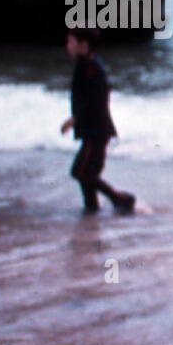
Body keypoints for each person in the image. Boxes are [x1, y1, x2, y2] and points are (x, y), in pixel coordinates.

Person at [61, 26, 135, 214]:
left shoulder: (92, 68)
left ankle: (121, 199)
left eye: (71, 42)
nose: (67, 46)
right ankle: (91, 209)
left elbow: (97, 100)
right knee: (88, 174)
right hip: (92, 130)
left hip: (97, 131)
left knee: (81, 172)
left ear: (84, 45)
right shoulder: (84, 64)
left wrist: (74, 119)